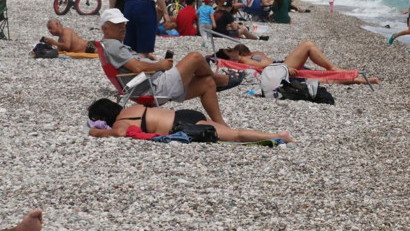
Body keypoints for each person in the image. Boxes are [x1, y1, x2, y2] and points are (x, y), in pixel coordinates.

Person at [99, 8, 241, 126]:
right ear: (105, 28)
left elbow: (132, 64)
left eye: (123, 23)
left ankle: (222, 126)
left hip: (152, 82)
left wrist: (151, 62)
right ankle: (221, 80)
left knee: (207, 84)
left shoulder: (110, 45)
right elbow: (136, 67)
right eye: (117, 24)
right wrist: (160, 65)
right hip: (153, 87)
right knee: (195, 57)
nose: (123, 27)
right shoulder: (113, 44)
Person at [87, 99, 294, 143]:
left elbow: (120, 133)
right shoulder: (131, 108)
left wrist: (97, 132)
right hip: (185, 113)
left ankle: (278, 135)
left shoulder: (120, 122)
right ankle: (275, 135)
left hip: (182, 126)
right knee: (233, 132)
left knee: (236, 137)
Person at [216, 42, 380, 84]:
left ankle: (357, 80)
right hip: (281, 67)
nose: (233, 55)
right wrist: (283, 69)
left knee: (319, 77)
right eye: (230, 53)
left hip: (281, 66)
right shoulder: (243, 59)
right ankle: (334, 68)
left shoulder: (250, 56)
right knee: (307, 45)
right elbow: (263, 67)